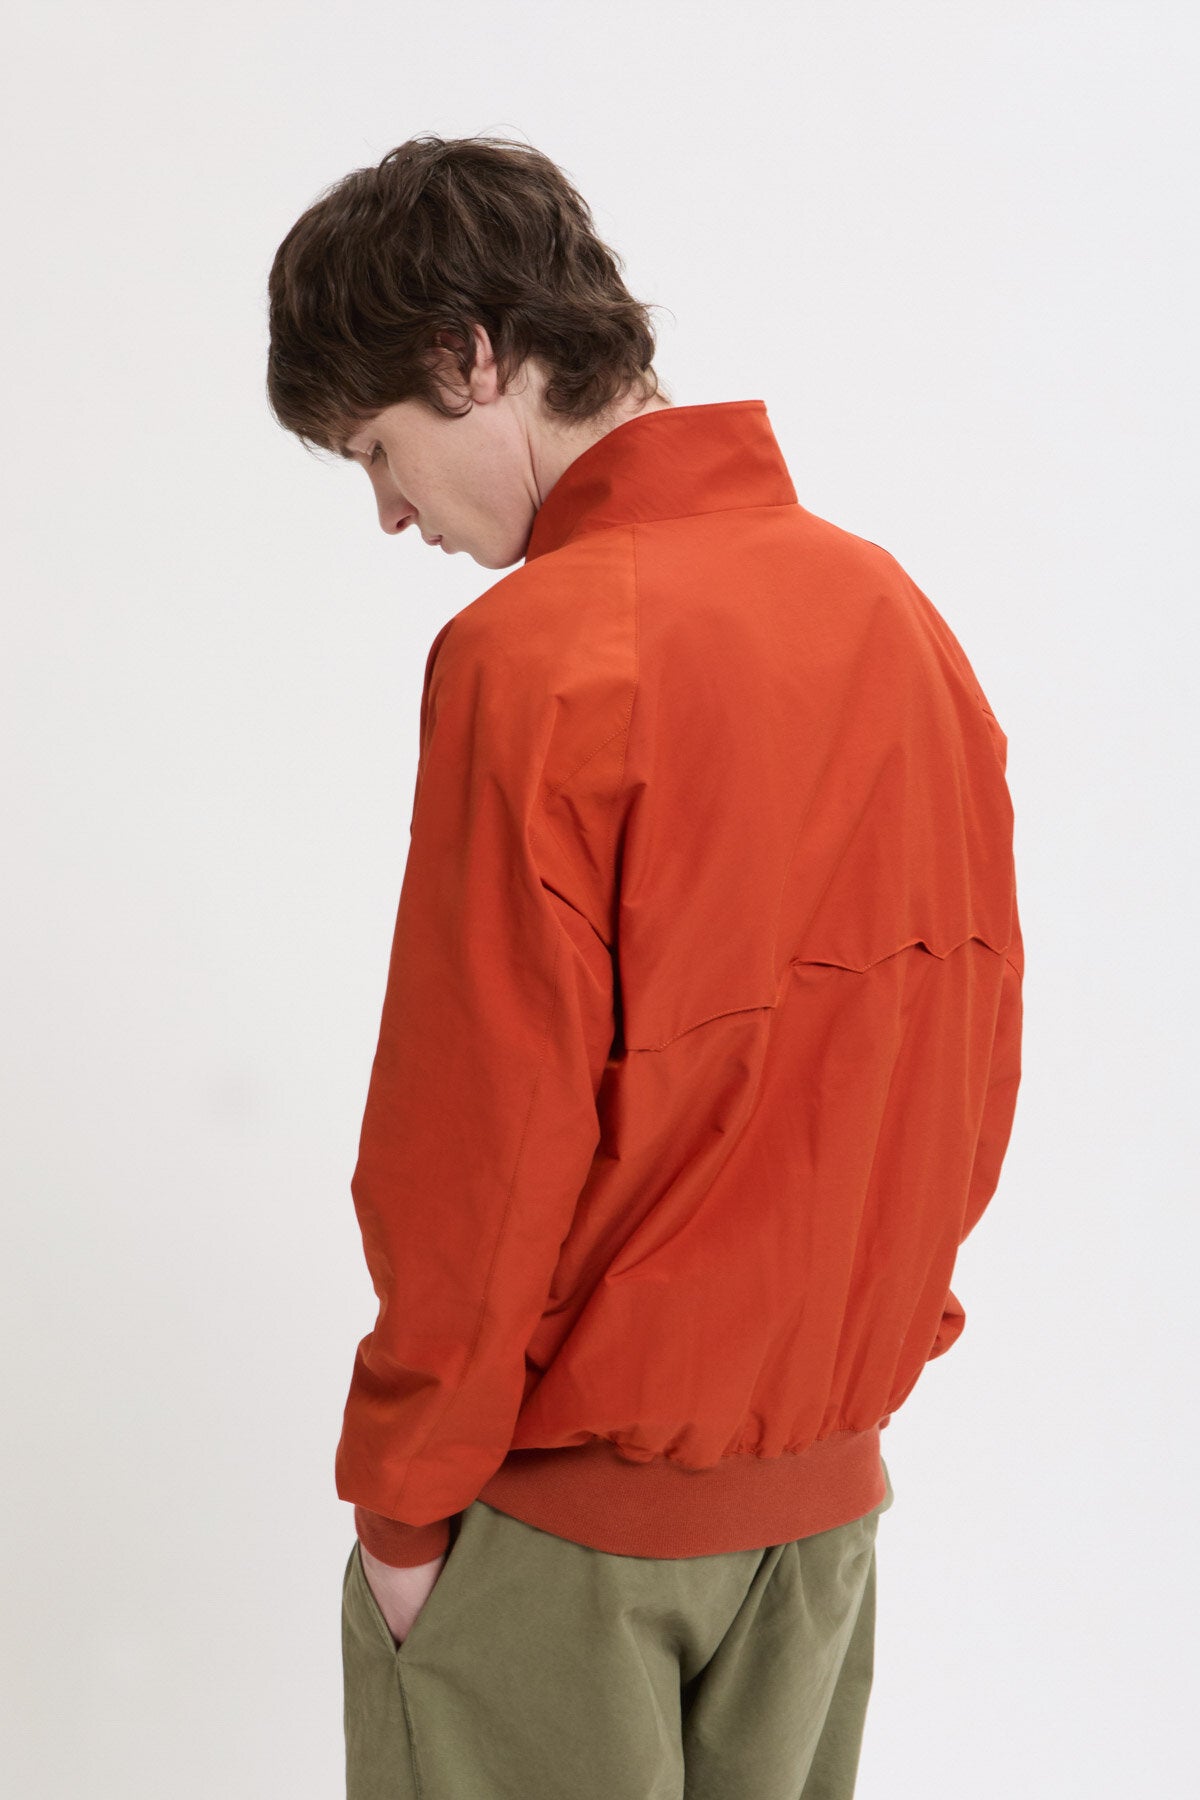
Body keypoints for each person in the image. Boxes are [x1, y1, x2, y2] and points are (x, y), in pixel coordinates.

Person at [265, 132, 1023, 1800]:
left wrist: (402, 1506)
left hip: (562, 1544)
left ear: (472, 358)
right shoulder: (895, 615)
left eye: (378, 449)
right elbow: (970, 1063)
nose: (389, 512)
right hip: (819, 1527)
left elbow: (477, 1142)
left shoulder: (533, 656)